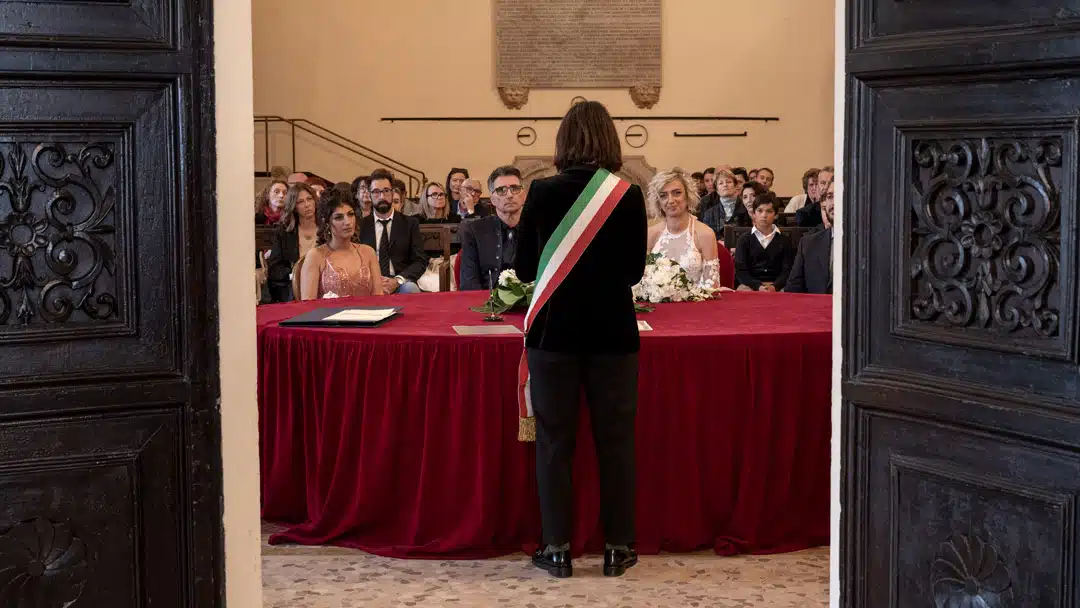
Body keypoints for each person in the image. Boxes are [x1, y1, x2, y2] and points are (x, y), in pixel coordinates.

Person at [515, 100, 646, 579]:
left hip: (554, 336)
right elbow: (633, 272)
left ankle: (557, 549)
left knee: (554, 443)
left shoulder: (543, 192)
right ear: (609, 140)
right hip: (613, 334)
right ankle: (617, 548)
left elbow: (526, 269)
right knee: (615, 443)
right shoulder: (627, 195)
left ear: (563, 141)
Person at [299, 188, 383, 299]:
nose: (347, 222)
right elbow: (307, 305)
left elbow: (379, 299)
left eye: (351, 214)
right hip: (327, 316)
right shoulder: (315, 256)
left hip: (370, 315)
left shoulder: (368, 252)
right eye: (339, 217)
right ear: (327, 222)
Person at [646, 169, 720, 289]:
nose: (670, 200)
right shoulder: (650, 234)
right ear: (658, 201)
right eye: (663, 196)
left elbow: (711, 286)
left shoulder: (705, 234)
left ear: (688, 195)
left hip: (697, 305)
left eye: (677, 193)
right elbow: (642, 280)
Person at [357, 168, 427, 294]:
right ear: (370, 194)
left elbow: (420, 261)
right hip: (369, 284)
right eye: (376, 192)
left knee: (411, 289)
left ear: (392, 191)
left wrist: (397, 280)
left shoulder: (410, 224)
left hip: (400, 283)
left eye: (386, 191)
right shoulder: (361, 225)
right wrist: (374, 281)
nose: (382, 196)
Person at [459, 166, 525, 290]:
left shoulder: (538, 228)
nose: (509, 195)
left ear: (524, 195)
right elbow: (469, 282)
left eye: (515, 188)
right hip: (488, 302)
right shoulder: (475, 230)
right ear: (492, 199)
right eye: (501, 190)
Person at [265, 183, 318, 302]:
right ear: (294, 206)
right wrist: (296, 274)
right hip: (294, 287)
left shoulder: (327, 229)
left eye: (309, 199)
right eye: (300, 202)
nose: (307, 205)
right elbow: (275, 269)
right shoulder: (284, 232)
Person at [734, 193, 794, 291]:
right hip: (751, 286)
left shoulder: (784, 240)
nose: (764, 215)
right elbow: (741, 271)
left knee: (788, 291)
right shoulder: (744, 240)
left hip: (777, 285)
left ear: (776, 215)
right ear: (753, 214)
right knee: (742, 290)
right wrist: (758, 287)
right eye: (760, 211)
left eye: (769, 211)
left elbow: (787, 271)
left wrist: (775, 286)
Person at [787, 179, 834, 294]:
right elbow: (793, 289)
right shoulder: (808, 243)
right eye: (830, 196)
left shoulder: (870, 244)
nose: (833, 203)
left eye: (841, 195)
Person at [699, 168, 749, 234]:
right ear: (717, 190)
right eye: (721, 183)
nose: (725, 185)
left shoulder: (747, 209)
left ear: (735, 186)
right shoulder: (709, 214)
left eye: (729, 182)